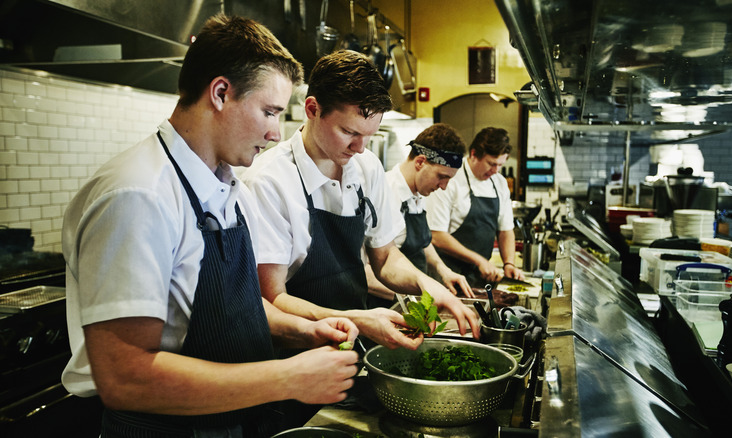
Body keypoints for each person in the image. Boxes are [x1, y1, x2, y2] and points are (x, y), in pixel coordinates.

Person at [60, 15, 359, 437]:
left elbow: (233, 312)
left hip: (230, 421)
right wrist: (288, 378)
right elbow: (126, 376)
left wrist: (306, 331)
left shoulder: (222, 183)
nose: (276, 133)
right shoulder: (138, 195)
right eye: (270, 112)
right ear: (220, 93)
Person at [241, 50, 479, 354]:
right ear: (312, 109)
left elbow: (385, 257)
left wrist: (426, 285)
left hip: (356, 339)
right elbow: (273, 298)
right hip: (298, 351)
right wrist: (355, 320)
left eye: (369, 135)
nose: (359, 147)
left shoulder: (367, 167)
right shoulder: (269, 181)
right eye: (349, 132)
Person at [365, 123, 475, 305]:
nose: (443, 186)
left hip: (414, 299)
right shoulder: (383, 194)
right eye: (441, 176)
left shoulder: (418, 193)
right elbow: (365, 271)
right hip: (383, 305)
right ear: (420, 162)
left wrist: (443, 270)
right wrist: (418, 296)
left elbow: (422, 244)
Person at [426, 127, 525, 285]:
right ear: (473, 154)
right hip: (447, 273)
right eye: (491, 164)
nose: (495, 170)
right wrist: (479, 260)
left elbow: (506, 230)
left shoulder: (499, 183)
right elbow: (437, 235)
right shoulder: (450, 178)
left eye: (500, 165)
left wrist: (509, 263)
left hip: (481, 275)